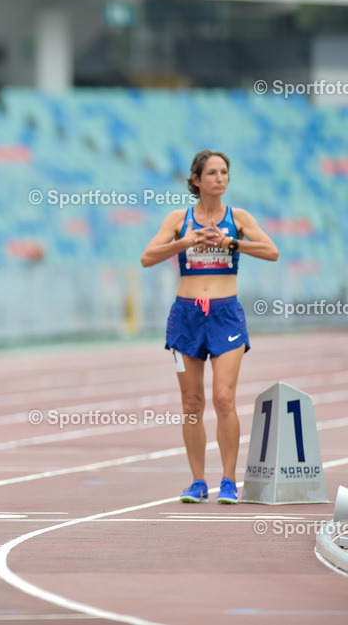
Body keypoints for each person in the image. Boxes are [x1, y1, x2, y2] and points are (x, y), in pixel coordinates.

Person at [141, 150, 278, 504]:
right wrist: (185, 243)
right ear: (196, 179)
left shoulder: (239, 218)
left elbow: (271, 251)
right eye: (213, 173)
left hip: (225, 314)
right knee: (192, 403)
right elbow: (147, 257)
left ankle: (229, 481)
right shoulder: (179, 219)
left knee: (223, 398)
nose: (220, 178)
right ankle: (198, 481)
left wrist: (231, 243)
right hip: (185, 316)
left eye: (224, 172)